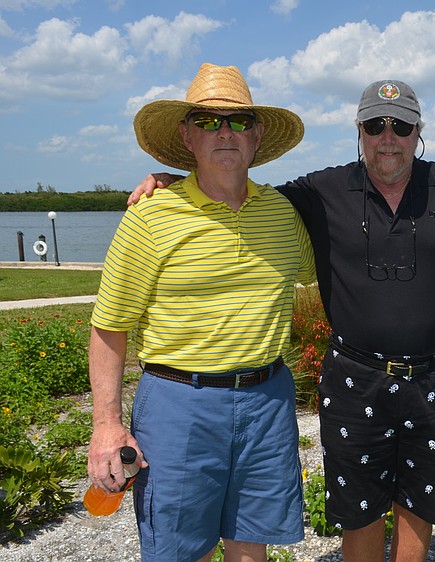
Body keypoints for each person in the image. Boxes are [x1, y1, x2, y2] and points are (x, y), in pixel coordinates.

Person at [130, 80, 435, 562]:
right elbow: (235, 189)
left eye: (402, 126)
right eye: (375, 125)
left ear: (418, 131)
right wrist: (176, 181)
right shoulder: (319, 190)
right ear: (359, 130)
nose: (389, 137)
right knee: (358, 508)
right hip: (354, 378)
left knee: (420, 501)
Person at [87, 63, 315, 562]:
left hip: (268, 401)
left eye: (238, 121)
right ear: (187, 136)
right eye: (209, 122)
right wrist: (106, 425)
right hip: (179, 404)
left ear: (257, 135)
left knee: (251, 544)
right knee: (176, 550)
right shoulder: (150, 216)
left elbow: (337, 266)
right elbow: (109, 327)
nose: (225, 132)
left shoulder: (283, 213)